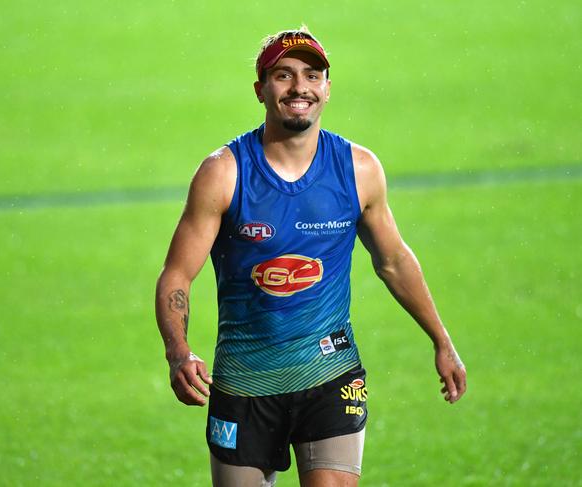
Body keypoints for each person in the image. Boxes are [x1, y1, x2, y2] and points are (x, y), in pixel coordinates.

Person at [155, 26, 467, 487]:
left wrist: (441, 340)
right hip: (245, 382)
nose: (300, 87)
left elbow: (394, 261)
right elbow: (177, 274)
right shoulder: (224, 173)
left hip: (331, 374)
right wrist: (178, 353)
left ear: (326, 87)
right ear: (261, 89)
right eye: (284, 75)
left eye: (313, 74)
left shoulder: (359, 170)